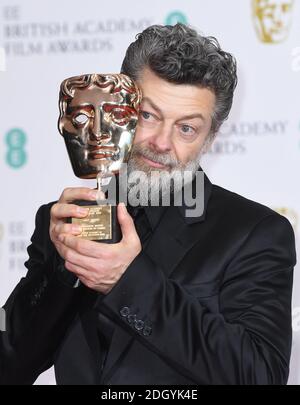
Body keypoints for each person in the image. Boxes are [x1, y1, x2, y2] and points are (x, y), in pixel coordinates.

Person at [0, 23, 296, 385]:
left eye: (186, 128)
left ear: (211, 137)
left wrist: (129, 280)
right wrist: (62, 271)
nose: (161, 142)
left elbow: (260, 375)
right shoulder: (65, 220)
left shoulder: (256, 233)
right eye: (148, 116)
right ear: (118, 112)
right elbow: (9, 365)